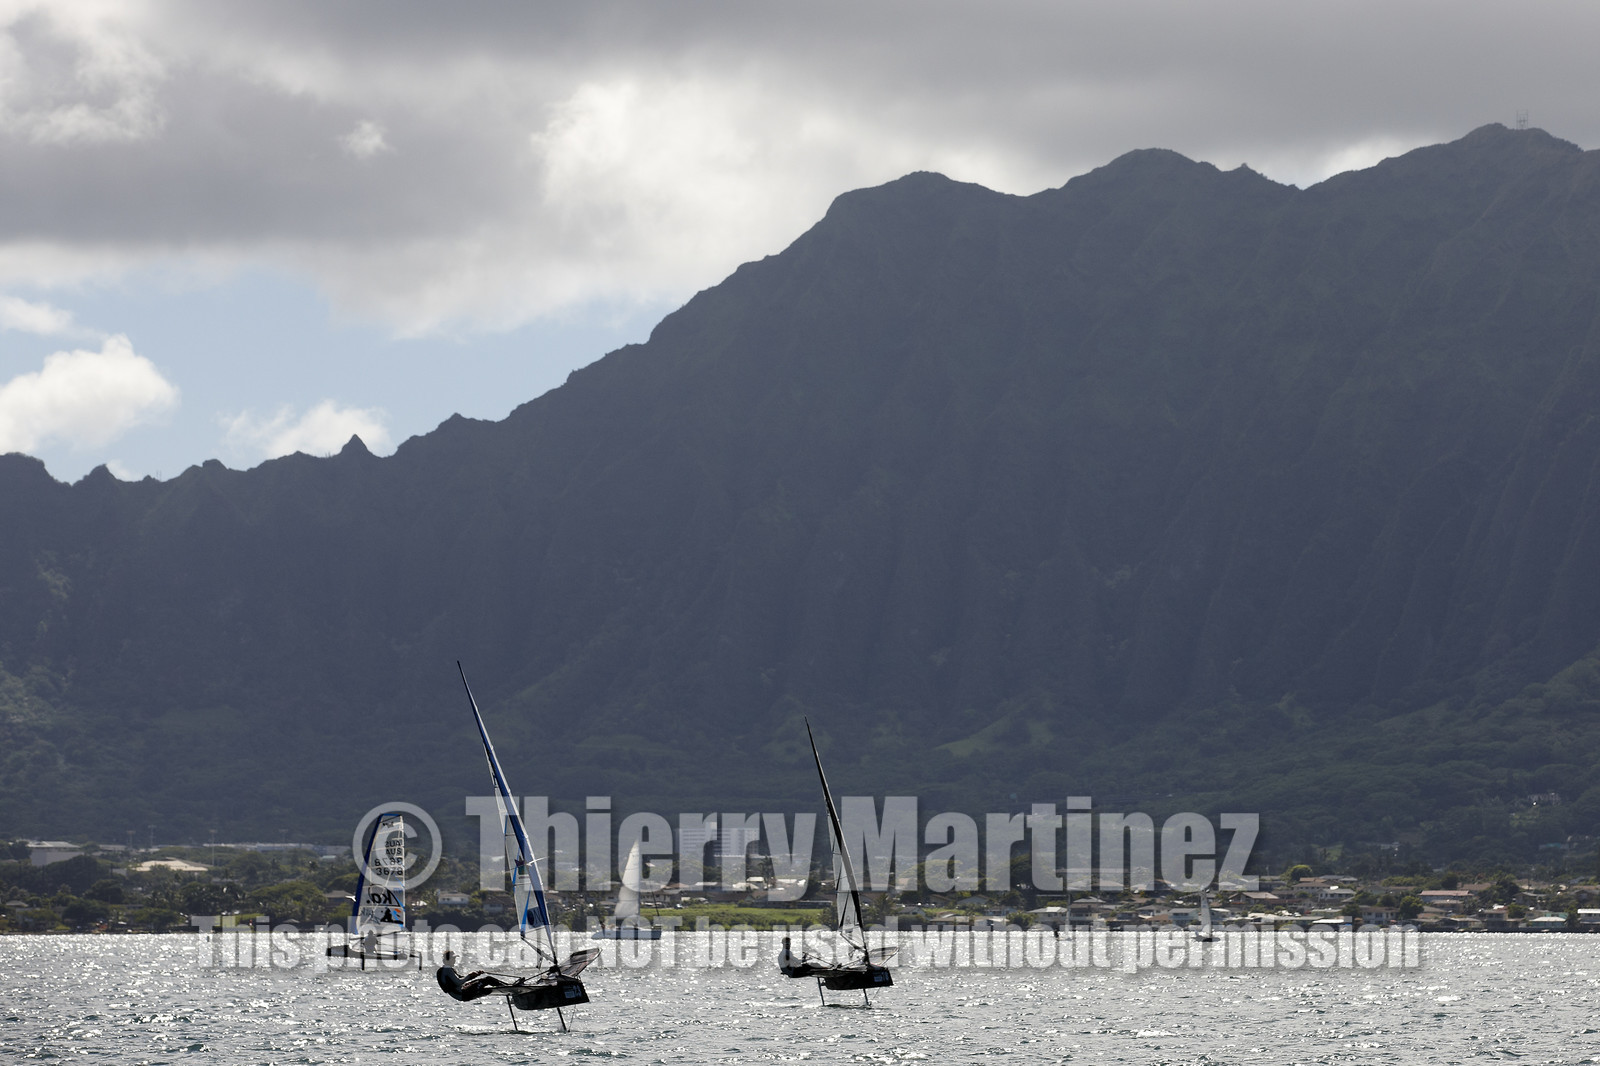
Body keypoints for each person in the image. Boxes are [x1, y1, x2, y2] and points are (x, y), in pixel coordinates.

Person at [436, 949, 509, 1001]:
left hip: (462, 994)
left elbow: (461, 979)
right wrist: (469, 976)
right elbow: (458, 982)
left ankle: (508, 986)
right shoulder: (447, 969)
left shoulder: (447, 969)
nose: (455, 960)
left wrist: (475, 975)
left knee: (486, 981)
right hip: (463, 994)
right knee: (488, 980)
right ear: (448, 959)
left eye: (455, 958)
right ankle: (509, 987)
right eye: (453, 958)